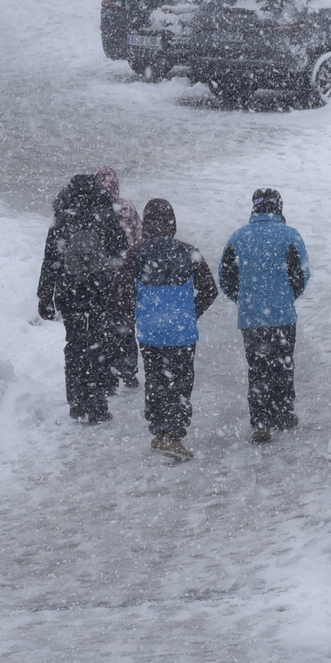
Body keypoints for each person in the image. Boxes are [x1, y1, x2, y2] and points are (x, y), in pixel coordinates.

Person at [119, 198, 218, 462]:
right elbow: (210, 290)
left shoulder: (136, 254)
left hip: (151, 332)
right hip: (181, 332)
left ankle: (159, 431)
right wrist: (190, 313)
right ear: (172, 223)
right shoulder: (188, 251)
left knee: (156, 380)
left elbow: (119, 295)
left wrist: (139, 314)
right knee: (180, 383)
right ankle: (174, 436)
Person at [219, 188, 311, 443]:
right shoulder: (290, 235)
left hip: (251, 318)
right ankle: (282, 413)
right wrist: (286, 297)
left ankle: (260, 422)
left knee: (258, 369)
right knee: (283, 365)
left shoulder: (238, 238)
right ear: (278, 208)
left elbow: (225, 277)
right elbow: (302, 275)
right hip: (282, 315)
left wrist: (244, 300)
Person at [37, 174, 131, 419]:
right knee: (99, 341)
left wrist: (46, 297)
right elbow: (120, 252)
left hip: (70, 292)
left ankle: (77, 402)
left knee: (75, 343)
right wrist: (119, 286)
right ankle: (98, 402)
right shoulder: (105, 215)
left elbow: (50, 261)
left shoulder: (62, 218)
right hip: (100, 290)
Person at [94, 166, 143, 388]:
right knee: (125, 326)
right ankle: (129, 370)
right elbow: (139, 239)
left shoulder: (92, 209)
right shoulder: (127, 208)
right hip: (125, 276)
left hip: (100, 277)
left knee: (104, 327)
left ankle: (107, 372)